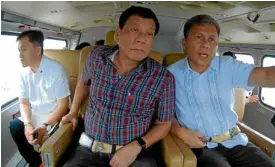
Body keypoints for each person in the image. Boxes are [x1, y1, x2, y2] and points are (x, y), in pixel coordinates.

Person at [61, 6, 175, 167]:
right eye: (135, 30)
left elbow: (164, 124)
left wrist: (136, 147)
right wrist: (73, 112)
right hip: (89, 150)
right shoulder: (96, 57)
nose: (142, 38)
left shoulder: (163, 78)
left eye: (149, 33)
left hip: (135, 155)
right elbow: (84, 82)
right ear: (118, 34)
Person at [168, 14, 275, 167]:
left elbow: (266, 75)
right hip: (199, 146)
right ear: (184, 44)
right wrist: (181, 132)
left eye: (212, 39)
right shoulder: (169, 75)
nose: (206, 44)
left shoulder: (228, 66)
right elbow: (163, 117)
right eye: (199, 37)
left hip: (235, 140)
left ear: (217, 46)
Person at [9, 30, 70, 167]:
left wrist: (45, 126)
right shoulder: (23, 73)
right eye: (19, 50)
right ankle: (36, 162)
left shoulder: (56, 69)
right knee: (15, 126)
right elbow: (24, 102)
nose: (20, 55)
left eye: (23, 50)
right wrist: (28, 123)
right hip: (37, 113)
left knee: (53, 143)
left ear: (37, 50)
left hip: (56, 115)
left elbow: (63, 106)